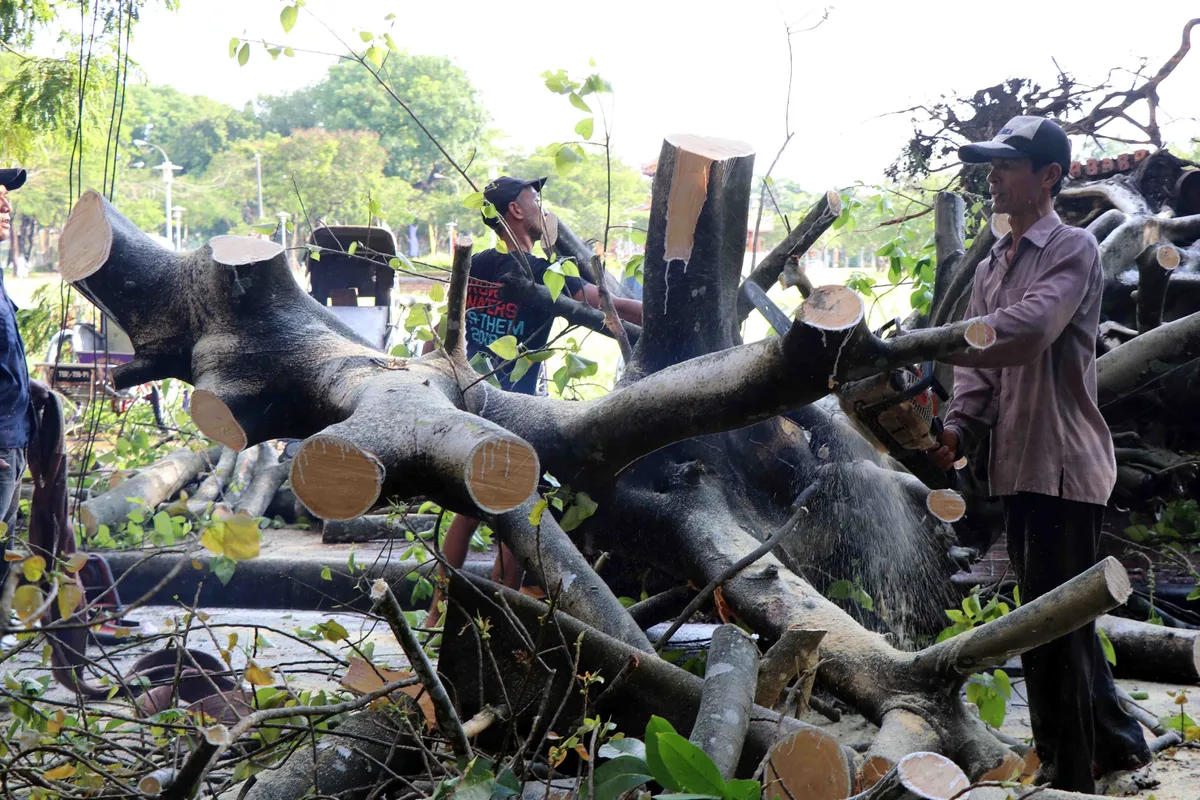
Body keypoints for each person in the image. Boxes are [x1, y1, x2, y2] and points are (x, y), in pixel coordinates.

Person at [928, 117, 1149, 791]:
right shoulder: (995, 264)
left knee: (1050, 630)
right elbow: (981, 375)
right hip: (1022, 467)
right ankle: (1119, 744)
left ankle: (1067, 772)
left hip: (1065, 466)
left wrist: (926, 342)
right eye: (991, 165)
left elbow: (1025, 333)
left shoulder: (1073, 248)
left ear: (1049, 177)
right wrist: (959, 428)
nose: (993, 175)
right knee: (1062, 620)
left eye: (1007, 165)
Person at [423, 176, 641, 625]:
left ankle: (435, 614)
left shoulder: (477, 263)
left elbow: (445, 331)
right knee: (519, 508)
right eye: (534, 199)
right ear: (516, 212)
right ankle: (498, 616)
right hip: (513, 410)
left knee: (466, 510)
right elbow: (606, 303)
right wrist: (658, 313)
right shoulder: (541, 274)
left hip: (468, 398)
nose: (542, 207)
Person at [0, 168, 47, 575]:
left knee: (4, 556)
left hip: (11, 440)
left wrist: (24, 381)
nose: (4, 205)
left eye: (4, 194)